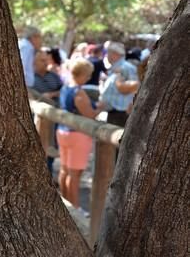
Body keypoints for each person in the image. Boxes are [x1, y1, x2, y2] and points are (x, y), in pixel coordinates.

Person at [57, 59, 106, 210]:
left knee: (65, 170)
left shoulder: (65, 87)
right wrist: (100, 108)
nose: (88, 77)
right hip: (77, 135)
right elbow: (89, 114)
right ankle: (75, 207)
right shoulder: (79, 91)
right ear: (82, 74)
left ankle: (65, 203)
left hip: (63, 131)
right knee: (75, 174)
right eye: (88, 74)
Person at [99, 41, 139, 128]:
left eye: (108, 53)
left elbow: (135, 88)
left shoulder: (127, 67)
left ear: (114, 54)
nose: (107, 56)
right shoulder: (116, 67)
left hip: (120, 112)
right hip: (114, 112)